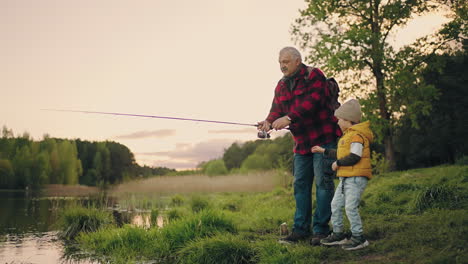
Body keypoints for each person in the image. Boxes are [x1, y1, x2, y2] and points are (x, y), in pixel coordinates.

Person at [258, 47, 341, 245]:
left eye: (286, 61)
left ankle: (321, 230)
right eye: (280, 62)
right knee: (300, 185)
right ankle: (300, 230)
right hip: (302, 143)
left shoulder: (315, 75)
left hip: (323, 138)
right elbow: (276, 109)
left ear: (297, 61)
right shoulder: (281, 85)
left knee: (323, 184)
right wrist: (268, 122)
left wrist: (288, 118)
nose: (282, 66)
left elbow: (312, 103)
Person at [311, 99, 373, 250]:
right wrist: (323, 150)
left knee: (350, 207)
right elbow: (341, 153)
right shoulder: (347, 136)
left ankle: (359, 238)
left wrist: (337, 164)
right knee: (335, 205)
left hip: (356, 178)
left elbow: (354, 156)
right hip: (346, 178)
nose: (337, 122)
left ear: (348, 120)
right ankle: (339, 234)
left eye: (339, 120)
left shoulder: (357, 136)